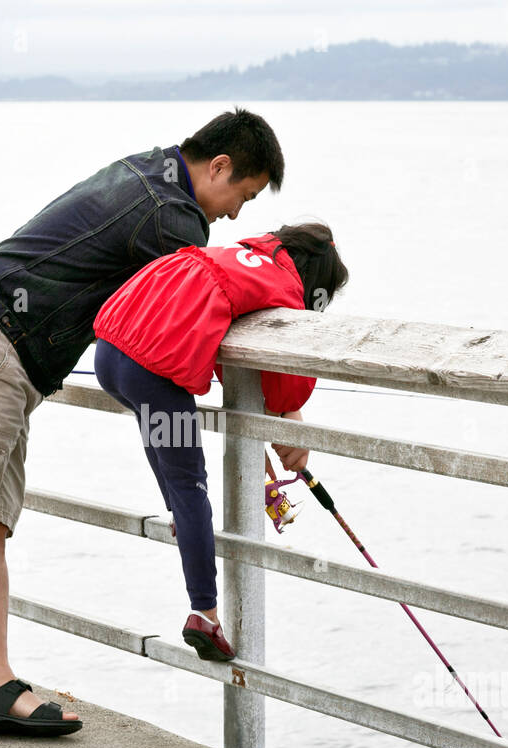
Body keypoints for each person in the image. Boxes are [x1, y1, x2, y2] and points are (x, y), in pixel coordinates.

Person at [0, 108, 285, 736]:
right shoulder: (173, 215)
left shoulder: (144, 171)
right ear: (218, 166)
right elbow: (179, 311)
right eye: (241, 194)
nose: (236, 215)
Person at [93, 223, 348, 660]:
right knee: (192, 485)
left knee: (171, 465)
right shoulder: (285, 289)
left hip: (110, 354)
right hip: (151, 371)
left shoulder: (236, 256)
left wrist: (270, 420)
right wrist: (292, 422)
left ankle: (182, 520)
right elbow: (288, 380)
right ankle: (206, 617)